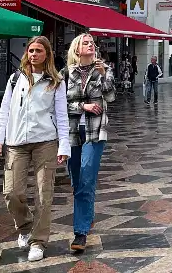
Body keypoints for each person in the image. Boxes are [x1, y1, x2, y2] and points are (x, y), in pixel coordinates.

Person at [0, 37, 70, 263]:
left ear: (47, 55)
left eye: (38, 51)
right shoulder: (15, 79)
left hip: (45, 141)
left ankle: (38, 241)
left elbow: (62, 117)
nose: (33, 54)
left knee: (44, 195)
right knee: (12, 192)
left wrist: (63, 145)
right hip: (16, 143)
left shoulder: (56, 82)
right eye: (31, 50)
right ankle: (25, 226)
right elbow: (4, 110)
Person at [65, 33, 116, 253]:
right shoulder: (67, 73)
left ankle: (80, 232)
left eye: (92, 43)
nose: (91, 45)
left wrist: (104, 75)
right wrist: (82, 107)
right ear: (77, 49)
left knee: (86, 176)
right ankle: (88, 215)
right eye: (86, 43)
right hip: (73, 133)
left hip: (96, 132)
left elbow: (111, 97)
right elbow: (60, 105)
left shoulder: (103, 69)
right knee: (78, 181)